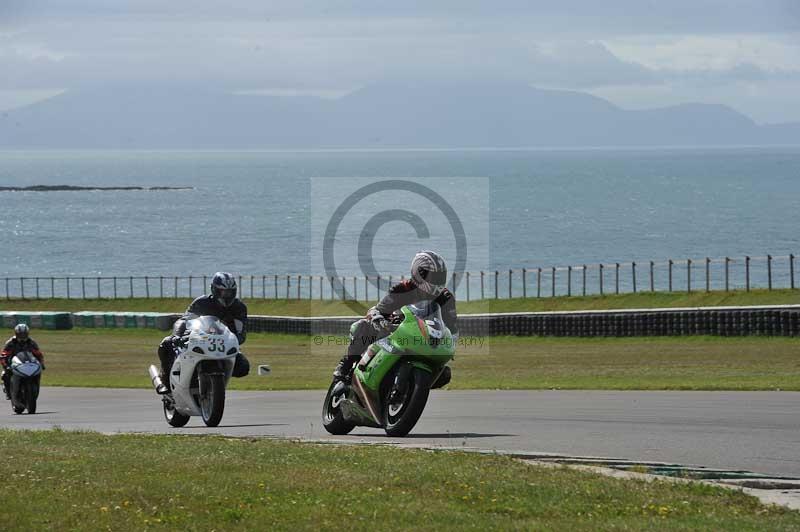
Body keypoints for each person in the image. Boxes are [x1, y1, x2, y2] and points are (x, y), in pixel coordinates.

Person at [332, 250, 458, 388]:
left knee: (444, 374)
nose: (437, 281)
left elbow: (452, 329)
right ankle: (346, 365)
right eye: (433, 277)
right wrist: (378, 318)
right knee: (363, 325)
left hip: (424, 341)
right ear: (419, 273)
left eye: (440, 277)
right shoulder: (403, 288)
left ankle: (411, 390)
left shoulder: (446, 297)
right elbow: (379, 309)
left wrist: (450, 345)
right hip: (394, 332)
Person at [156, 272, 249, 393]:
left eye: (230, 292)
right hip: (198, 341)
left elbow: (240, 332)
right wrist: (177, 335)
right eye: (223, 292)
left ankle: (216, 381)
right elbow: (184, 320)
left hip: (223, 345)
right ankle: (165, 381)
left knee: (243, 367)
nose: (227, 295)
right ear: (214, 290)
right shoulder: (201, 303)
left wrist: (236, 340)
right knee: (166, 343)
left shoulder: (239, 307)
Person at [1, 324, 45, 400]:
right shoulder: (10, 342)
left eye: (24, 334)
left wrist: (41, 364)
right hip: (14, 364)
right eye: (20, 334)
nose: (22, 336)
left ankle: (35, 388)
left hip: (29, 363)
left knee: (38, 372)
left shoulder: (31, 342)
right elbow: (3, 355)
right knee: (5, 374)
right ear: (16, 333)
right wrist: (6, 366)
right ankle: (9, 392)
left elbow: (38, 354)